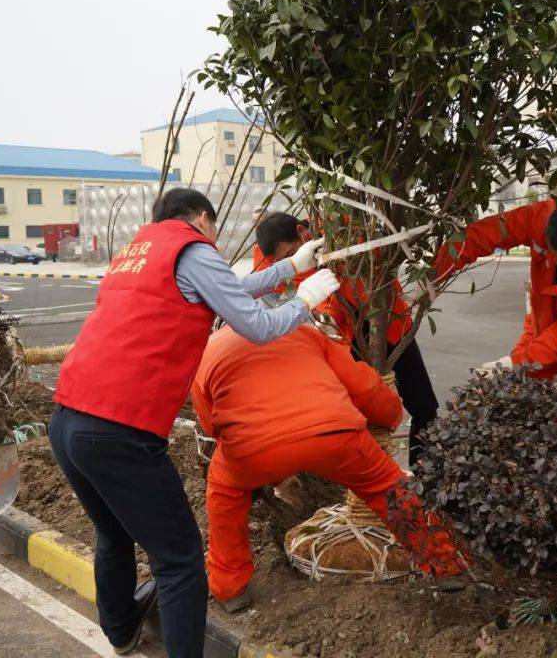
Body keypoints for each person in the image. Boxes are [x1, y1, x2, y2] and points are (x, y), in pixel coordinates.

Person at [50, 188, 340, 658]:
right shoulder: (192, 246)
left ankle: (121, 631)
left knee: (114, 533)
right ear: (202, 219)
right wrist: (303, 300)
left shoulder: (139, 251)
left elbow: (223, 290)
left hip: (67, 422)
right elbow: (258, 326)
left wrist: (290, 268)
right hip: (118, 430)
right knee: (181, 562)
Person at [191, 323, 463, 612]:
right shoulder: (301, 331)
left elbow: (211, 424)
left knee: (225, 492)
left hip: (253, 449)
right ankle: (444, 564)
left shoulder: (206, 352)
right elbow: (361, 385)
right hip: (334, 434)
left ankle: (229, 587)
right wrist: (390, 414)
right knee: (388, 487)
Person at [255, 212, 441, 464]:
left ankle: (426, 480)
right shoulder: (281, 259)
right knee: (354, 416)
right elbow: (302, 290)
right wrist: (324, 317)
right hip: (345, 337)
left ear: (303, 232)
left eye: (290, 254)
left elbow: (376, 262)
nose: (293, 262)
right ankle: (370, 483)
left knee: (424, 406)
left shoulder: (343, 229)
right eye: (285, 260)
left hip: (388, 320)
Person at [436, 199, 557, 392]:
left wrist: (514, 363)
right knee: (519, 389)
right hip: (544, 315)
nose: (555, 261)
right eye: (551, 252)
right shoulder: (542, 217)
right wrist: (436, 272)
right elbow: (491, 232)